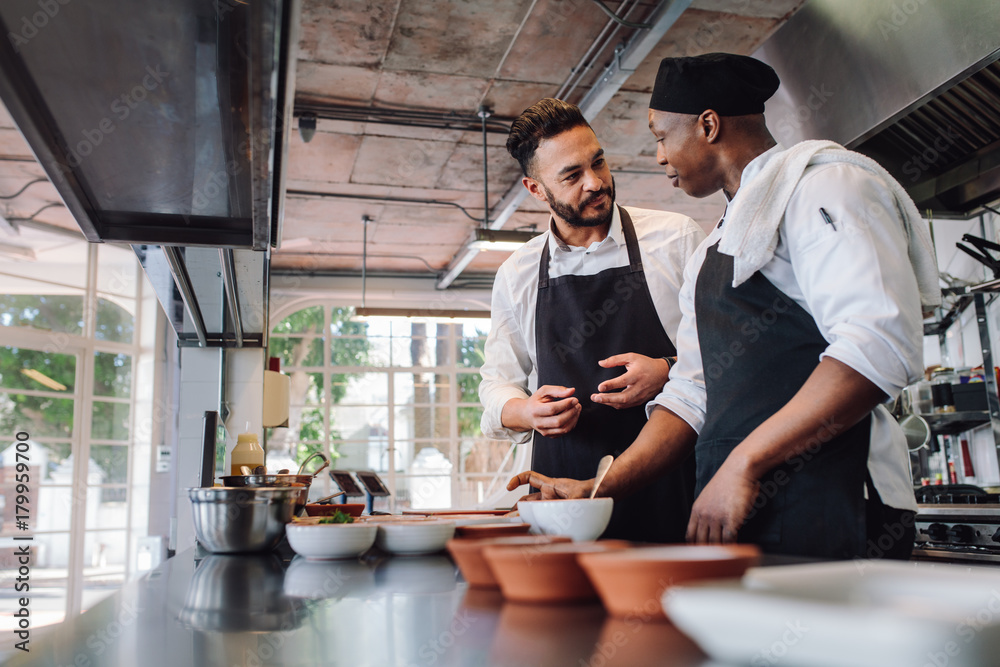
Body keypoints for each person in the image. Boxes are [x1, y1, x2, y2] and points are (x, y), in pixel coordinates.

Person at [507, 54, 940, 560]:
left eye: (662, 137)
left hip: (836, 497)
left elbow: (880, 346)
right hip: (740, 510)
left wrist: (743, 464)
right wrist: (598, 490)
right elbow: (691, 394)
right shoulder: (715, 246)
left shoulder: (826, 187)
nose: (660, 157)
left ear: (708, 126)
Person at [480, 98, 706, 542]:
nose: (595, 182)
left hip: (672, 490)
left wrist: (666, 370)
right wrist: (525, 410)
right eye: (572, 175)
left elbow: (722, 357)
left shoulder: (675, 239)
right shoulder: (518, 273)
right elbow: (495, 382)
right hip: (563, 504)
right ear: (536, 189)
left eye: (598, 162)